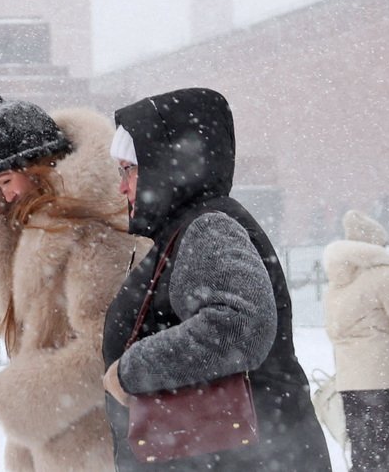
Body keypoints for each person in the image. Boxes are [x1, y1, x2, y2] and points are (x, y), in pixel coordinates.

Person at [101, 88, 329, 470]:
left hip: (239, 459)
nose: (122, 186)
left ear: (164, 165)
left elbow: (239, 326)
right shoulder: (184, 230)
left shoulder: (207, 228)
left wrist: (130, 371)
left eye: (129, 169)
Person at [0, 97, 139, 470]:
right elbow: (11, 324)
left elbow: (109, 347)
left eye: (6, 181)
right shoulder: (41, 229)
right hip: (56, 443)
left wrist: (26, 400)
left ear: (36, 165)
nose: (6, 194)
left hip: (94, 444)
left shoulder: (92, 231)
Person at [324, 210, 389, 471]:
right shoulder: (385, 276)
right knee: (385, 453)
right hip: (385, 379)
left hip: (349, 381)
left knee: (364, 455)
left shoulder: (338, 283)